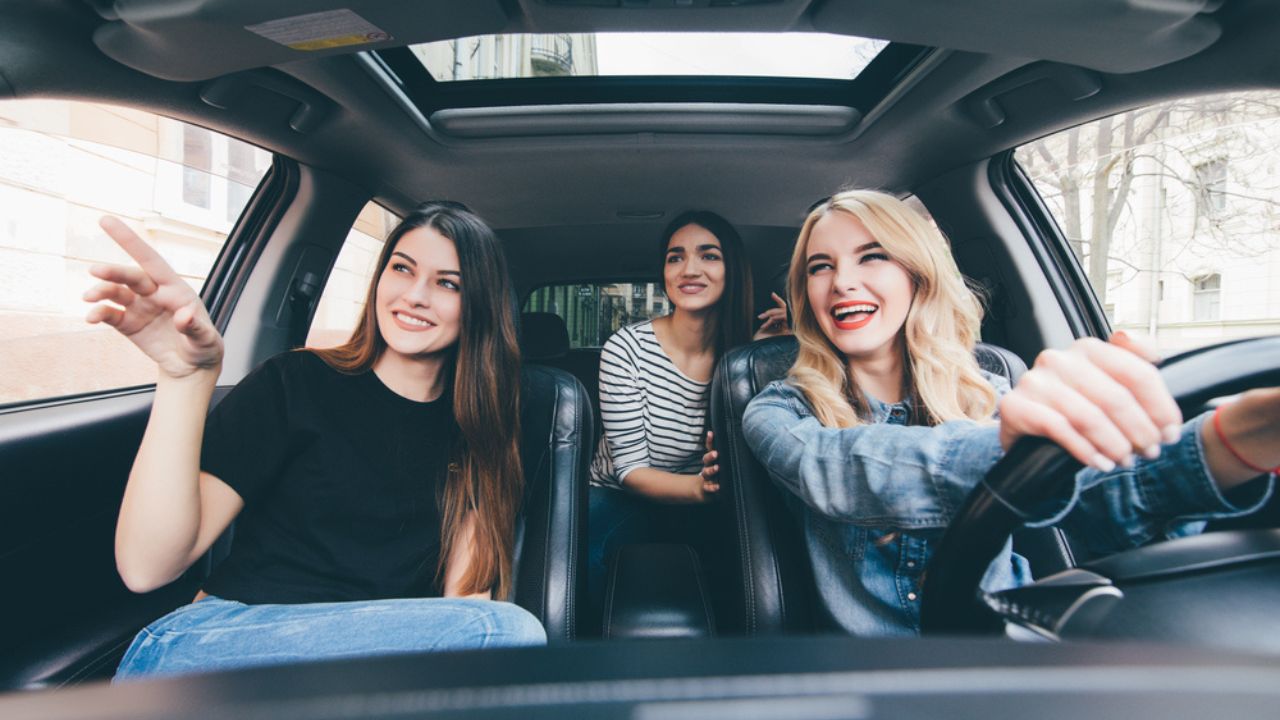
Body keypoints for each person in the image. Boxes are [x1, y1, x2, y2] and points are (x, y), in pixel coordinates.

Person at [742, 189, 1279, 636]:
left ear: (917, 273)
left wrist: (1231, 440)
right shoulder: (776, 409)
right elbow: (839, 467)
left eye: (873, 255)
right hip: (874, 681)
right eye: (820, 267)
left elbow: (1098, 495)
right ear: (806, 293)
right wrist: (1003, 448)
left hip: (1011, 654)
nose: (842, 282)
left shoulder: (991, 391)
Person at [86, 202, 546, 680]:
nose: (414, 296)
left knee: (495, 636)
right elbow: (147, 568)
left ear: (480, 307)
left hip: (364, 666)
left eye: (447, 283)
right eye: (402, 269)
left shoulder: (481, 434)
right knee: (507, 632)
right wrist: (184, 378)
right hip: (217, 645)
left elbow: (464, 609)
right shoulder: (294, 383)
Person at [586, 211, 788, 625]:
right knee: (586, 551)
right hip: (620, 494)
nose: (689, 269)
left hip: (711, 497)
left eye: (708, 256)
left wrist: (780, 352)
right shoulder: (627, 349)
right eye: (675, 257)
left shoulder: (746, 355)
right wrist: (701, 489)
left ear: (733, 269)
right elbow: (629, 470)